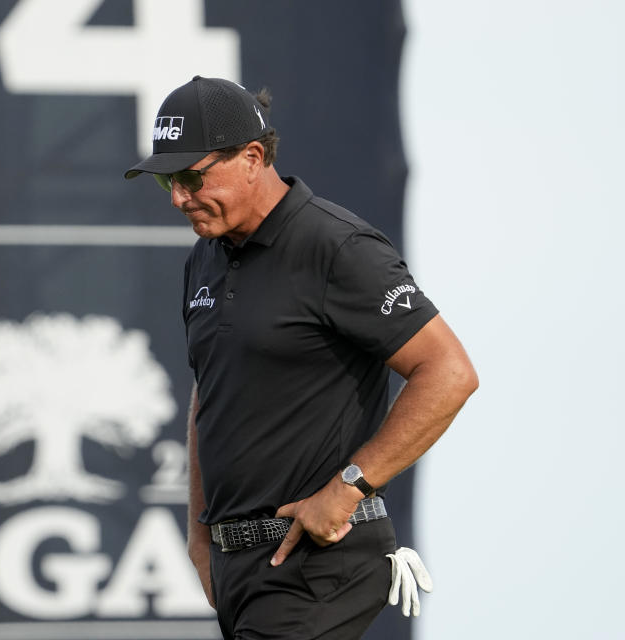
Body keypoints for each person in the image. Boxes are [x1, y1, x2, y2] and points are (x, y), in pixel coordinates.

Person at [124, 76, 478, 639]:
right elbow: (210, 391)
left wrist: (347, 489)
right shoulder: (206, 258)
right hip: (242, 566)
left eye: (192, 176)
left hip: (318, 559)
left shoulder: (337, 247)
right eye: (168, 178)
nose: (178, 197)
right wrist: (199, 533)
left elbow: (449, 372)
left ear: (252, 157)